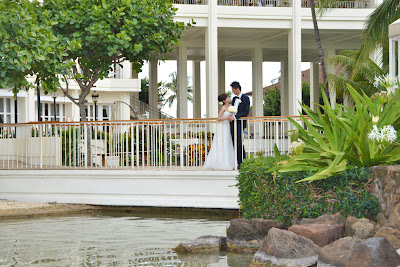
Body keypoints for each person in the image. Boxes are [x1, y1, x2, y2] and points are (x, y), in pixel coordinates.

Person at [203, 94, 236, 170]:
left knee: (228, 143)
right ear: (224, 101)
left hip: (228, 127)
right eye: (227, 98)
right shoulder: (223, 108)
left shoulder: (231, 106)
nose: (228, 98)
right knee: (222, 143)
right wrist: (226, 118)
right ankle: (219, 163)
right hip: (222, 127)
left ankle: (228, 163)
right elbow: (218, 118)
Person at [227, 81, 250, 168]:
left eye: (233, 89)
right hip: (233, 123)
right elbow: (233, 110)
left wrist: (236, 117)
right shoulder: (234, 99)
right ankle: (236, 161)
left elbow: (246, 111)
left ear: (237, 89)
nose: (232, 91)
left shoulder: (245, 98)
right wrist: (231, 115)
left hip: (240, 123)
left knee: (239, 143)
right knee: (233, 143)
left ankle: (242, 162)